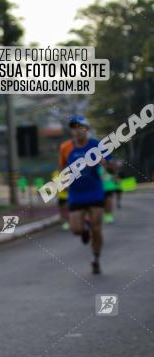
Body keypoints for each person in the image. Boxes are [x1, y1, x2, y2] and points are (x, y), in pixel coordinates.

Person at [62, 115, 118, 274]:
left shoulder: (97, 145)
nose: (76, 130)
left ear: (86, 129)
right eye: (73, 127)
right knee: (76, 229)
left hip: (94, 192)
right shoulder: (65, 147)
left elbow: (112, 168)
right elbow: (62, 168)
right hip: (76, 193)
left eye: (79, 127)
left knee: (97, 229)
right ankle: (84, 230)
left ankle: (96, 258)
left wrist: (106, 164)